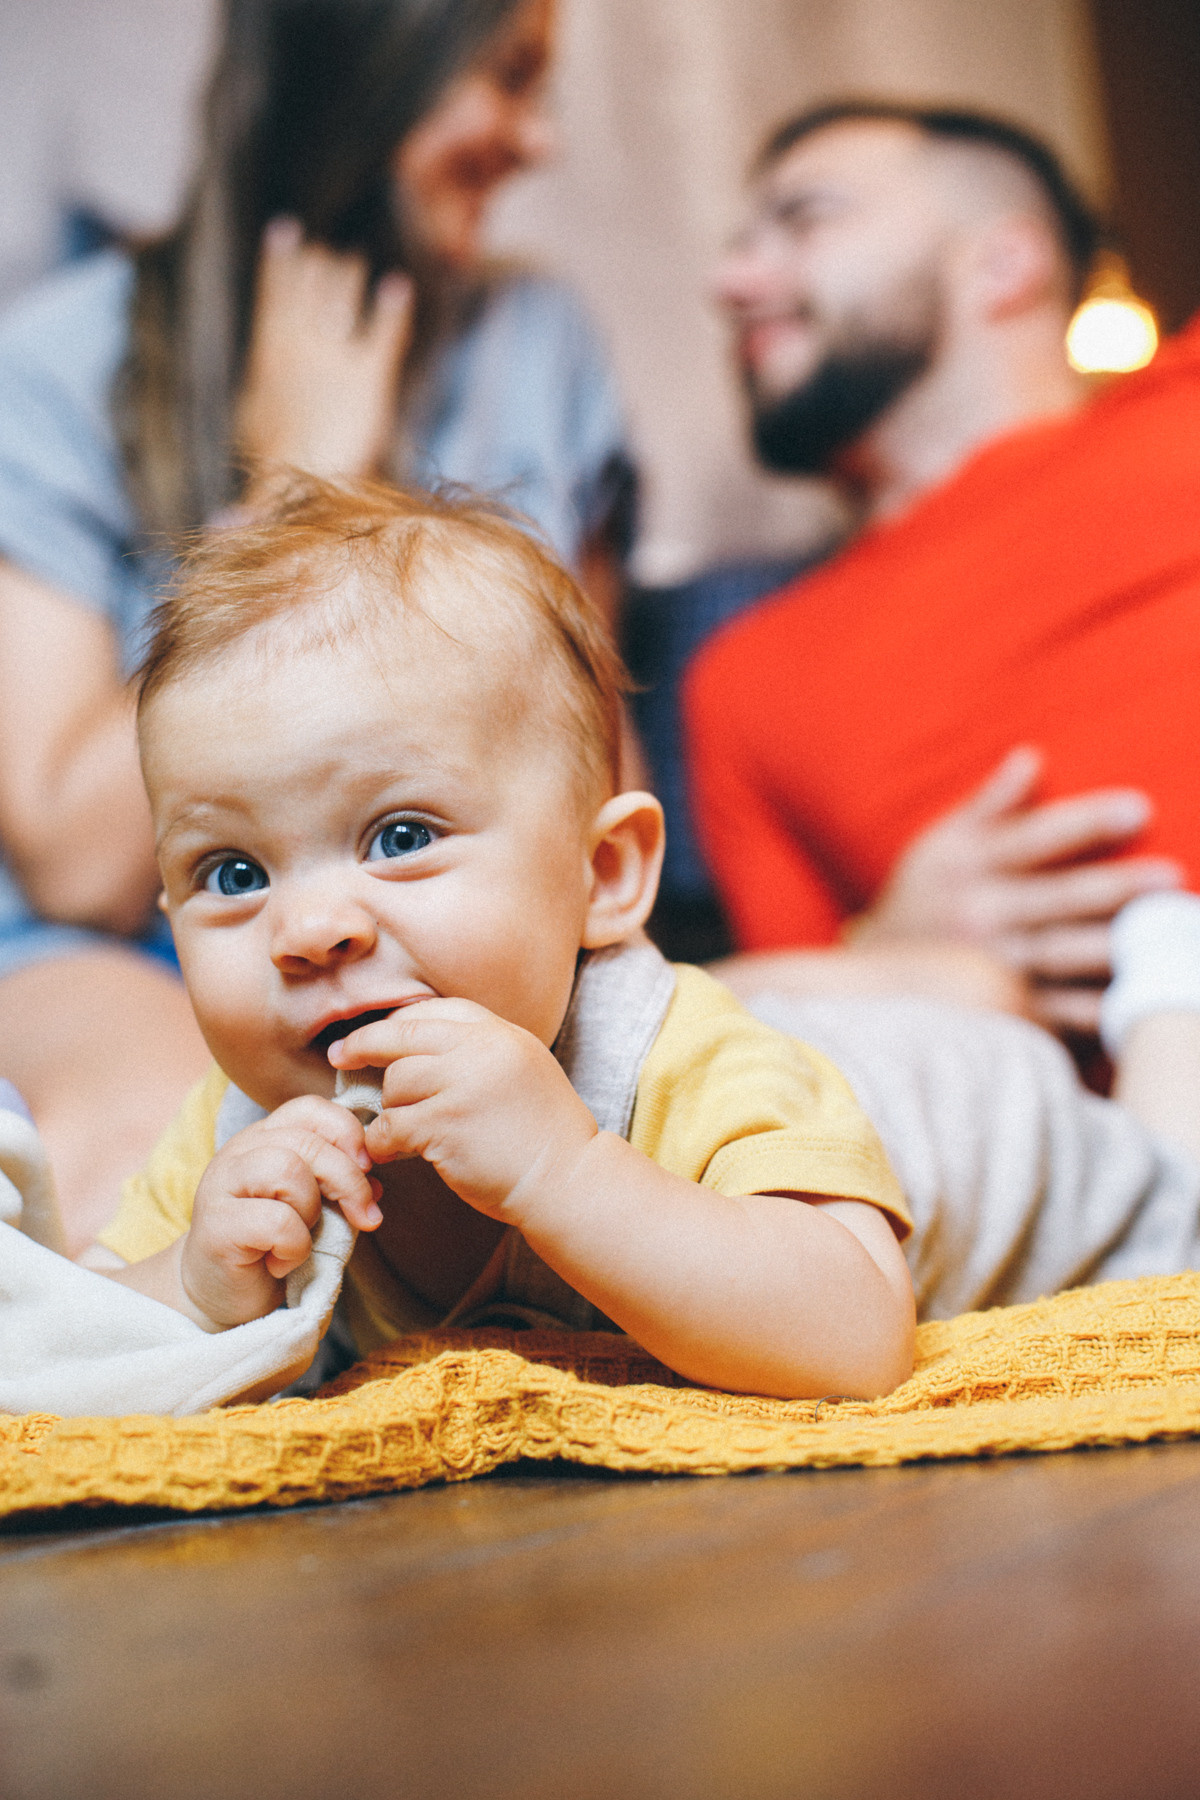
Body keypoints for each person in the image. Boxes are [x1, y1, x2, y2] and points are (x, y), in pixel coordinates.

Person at [0, 0, 632, 1252]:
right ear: (370, 64)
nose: (537, 138)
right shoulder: (54, 365)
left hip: (453, 923)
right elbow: (78, 863)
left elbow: (591, 767)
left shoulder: (540, 344)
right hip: (110, 950)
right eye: (506, 78)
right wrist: (293, 490)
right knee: (170, 1147)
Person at [80, 477, 916, 1402]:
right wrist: (190, 1286)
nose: (308, 931)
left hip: (974, 1120)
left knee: (919, 1026)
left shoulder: (680, 1062)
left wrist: (564, 1170)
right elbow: (66, 1345)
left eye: (401, 837)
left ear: (603, 875)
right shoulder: (240, 1123)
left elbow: (860, 1342)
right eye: (235, 873)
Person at [683, 101, 1200, 1038]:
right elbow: (761, 1071)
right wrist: (887, 954)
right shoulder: (743, 681)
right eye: (739, 247)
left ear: (1004, 263)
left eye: (805, 220)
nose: (733, 282)